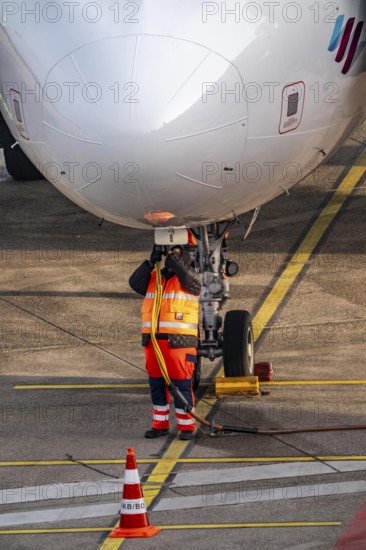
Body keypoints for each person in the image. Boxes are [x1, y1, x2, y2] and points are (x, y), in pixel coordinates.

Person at [129, 240, 201, 440]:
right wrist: (151, 261)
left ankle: (186, 426)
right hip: (152, 341)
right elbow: (134, 283)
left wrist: (176, 257)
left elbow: (189, 276)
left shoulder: (191, 279)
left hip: (180, 343)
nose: (172, 257)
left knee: (182, 384)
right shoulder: (154, 277)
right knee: (156, 384)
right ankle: (159, 424)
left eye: (177, 254)